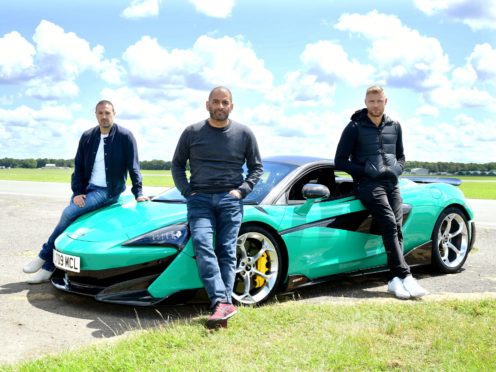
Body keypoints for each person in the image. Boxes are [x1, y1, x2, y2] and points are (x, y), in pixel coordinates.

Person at [23, 100, 149, 284]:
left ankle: (43, 256)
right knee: (68, 223)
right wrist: (77, 193)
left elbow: (134, 166)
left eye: (107, 113)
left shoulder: (125, 136)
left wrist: (138, 192)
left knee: (68, 213)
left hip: (108, 191)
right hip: (87, 189)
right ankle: (48, 269)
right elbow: (79, 167)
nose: (104, 116)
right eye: (100, 113)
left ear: (114, 113)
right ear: (95, 114)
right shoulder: (87, 136)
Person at [172, 86, 263, 329]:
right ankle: (223, 301)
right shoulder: (192, 132)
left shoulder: (244, 133)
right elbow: (177, 165)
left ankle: (220, 305)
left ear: (231, 106)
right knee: (202, 245)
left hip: (229, 201)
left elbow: (256, 168)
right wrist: (187, 191)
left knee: (226, 250)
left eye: (225, 102)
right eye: (216, 102)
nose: (220, 106)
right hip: (199, 199)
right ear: (207, 104)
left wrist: (241, 191)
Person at [334, 85, 427, 300]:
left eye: (379, 101)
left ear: (386, 101)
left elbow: (401, 157)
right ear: (365, 102)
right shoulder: (354, 127)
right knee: (387, 222)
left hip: (391, 184)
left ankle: (395, 280)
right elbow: (340, 161)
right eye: (371, 101)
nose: (375, 105)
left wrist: (396, 170)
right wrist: (365, 169)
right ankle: (405, 275)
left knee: (397, 226)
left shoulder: (395, 126)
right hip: (367, 185)